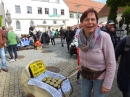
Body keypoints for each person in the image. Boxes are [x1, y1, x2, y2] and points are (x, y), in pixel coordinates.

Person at [76, 8, 116, 97]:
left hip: (100, 77)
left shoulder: (104, 37)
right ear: (82, 23)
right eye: (86, 20)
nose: (90, 22)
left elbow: (112, 63)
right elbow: (83, 55)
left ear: (96, 22)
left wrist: (107, 84)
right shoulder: (80, 37)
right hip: (85, 75)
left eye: (93, 19)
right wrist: (81, 65)